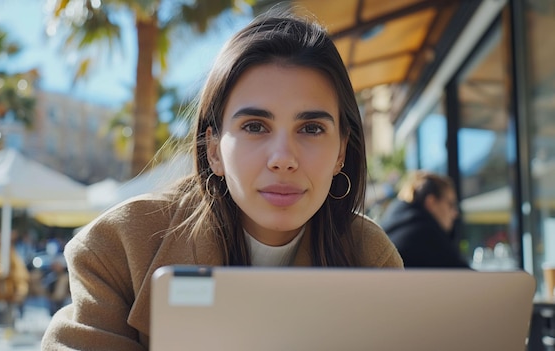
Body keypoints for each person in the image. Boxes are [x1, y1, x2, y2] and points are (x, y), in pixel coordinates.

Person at [42, 9, 403, 350]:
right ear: (213, 149)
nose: (283, 159)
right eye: (255, 127)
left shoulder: (370, 257)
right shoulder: (119, 248)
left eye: (311, 128)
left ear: (341, 151)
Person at [379, 170, 470, 268]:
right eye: (451, 204)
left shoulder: (393, 222)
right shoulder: (426, 233)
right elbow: (468, 277)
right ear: (431, 202)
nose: (455, 213)